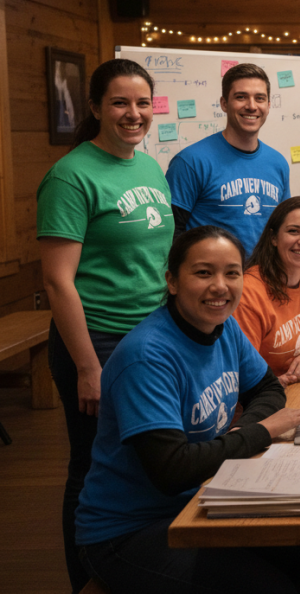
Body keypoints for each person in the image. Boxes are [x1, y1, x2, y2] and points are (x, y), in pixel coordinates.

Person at [76, 227, 300, 594]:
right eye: (203, 272)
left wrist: (242, 433)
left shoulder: (225, 328)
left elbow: (267, 389)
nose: (220, 286)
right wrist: (259, 432)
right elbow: (172, 470)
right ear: (172, 281)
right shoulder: (147, 357)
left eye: (232, 273)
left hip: (201, 498)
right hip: (128, 531)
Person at [37, 58, 173, 593]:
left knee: (142, 456)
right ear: (95, 107)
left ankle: (139, 561)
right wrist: (88, 366)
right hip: (97, 341)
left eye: (143, 103)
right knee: (93, 465)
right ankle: (87, 578)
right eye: (120, 102)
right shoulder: (71, 176)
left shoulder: (149, 168)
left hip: (149, 340)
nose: (133, 113)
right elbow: (58, 282)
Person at [166, 63, 290, 255]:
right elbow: (170, 233)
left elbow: (282, 228)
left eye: (259, 98)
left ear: (268, 105)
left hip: (263, 274)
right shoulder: (191, 161)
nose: (251, 106)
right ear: (224, 104)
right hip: (210, 273)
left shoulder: (278, 164)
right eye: (241, 97)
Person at [233, 196, 300, 385]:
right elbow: (240, 371)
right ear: (273, 238)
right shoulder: (248, 293)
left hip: (296, 389)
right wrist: (273, 386)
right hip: (262, 397)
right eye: (294, 231)